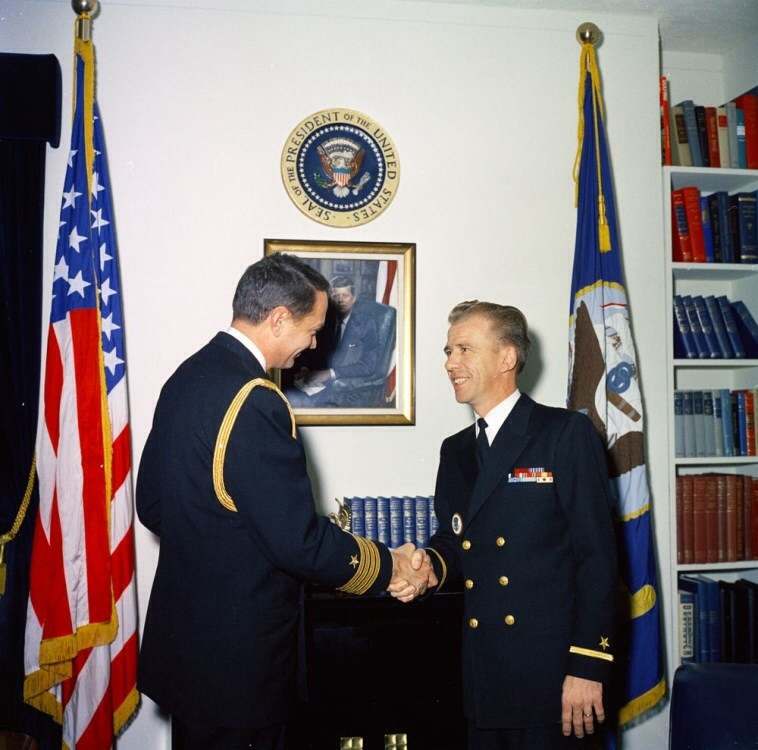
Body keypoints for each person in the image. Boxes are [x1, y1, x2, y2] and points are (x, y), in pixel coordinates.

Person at [136, 253, 433, 750]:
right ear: (278, 319)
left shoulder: (187, 377)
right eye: (312, 329)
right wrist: (389, 564)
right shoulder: (255, 398)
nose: (314, 343)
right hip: (242, 662)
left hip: (191, 651)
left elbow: (152, 506)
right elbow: (297, 541)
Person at [392, 300, 617, 750]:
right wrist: (428, 567)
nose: (450, 363)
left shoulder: (564, 433)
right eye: (448, 351)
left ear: (507, 358)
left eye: (464, 349)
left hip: (553, 677)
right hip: (484, 674)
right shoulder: (454, 450)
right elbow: (455, 541)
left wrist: (588, 667)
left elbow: (599, 559)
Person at [288, 275, 393, 407]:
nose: (340, 300)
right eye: (336, 296)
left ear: (354, 298)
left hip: (347, 388)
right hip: (316, 384)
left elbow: (368, 365)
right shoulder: (324, 321)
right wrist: (304, 368)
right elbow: (311, 351)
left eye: (345, 295)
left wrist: (330, 374)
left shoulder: (366, 324)